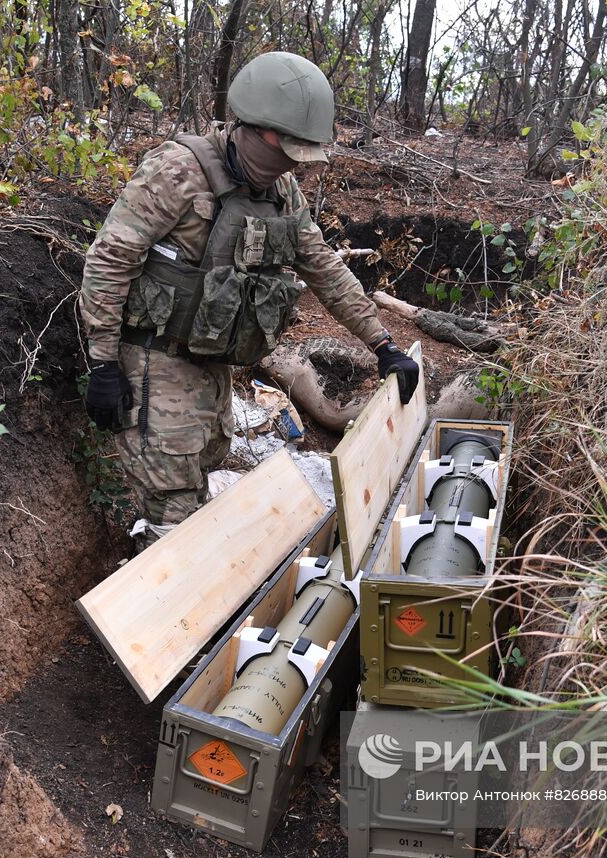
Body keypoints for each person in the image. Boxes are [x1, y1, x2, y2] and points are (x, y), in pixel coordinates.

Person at [78, 51, 420, 548]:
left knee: (205, 466)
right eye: (285, 154)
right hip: (155, 359)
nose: (290, 169)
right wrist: (103, 363)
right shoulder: (178, 172)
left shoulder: (281, 193)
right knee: (173, 508)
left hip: (213, 364)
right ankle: (167, 610)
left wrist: (382, 343)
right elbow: (110, 259)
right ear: (254, 128)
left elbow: (323, 266)